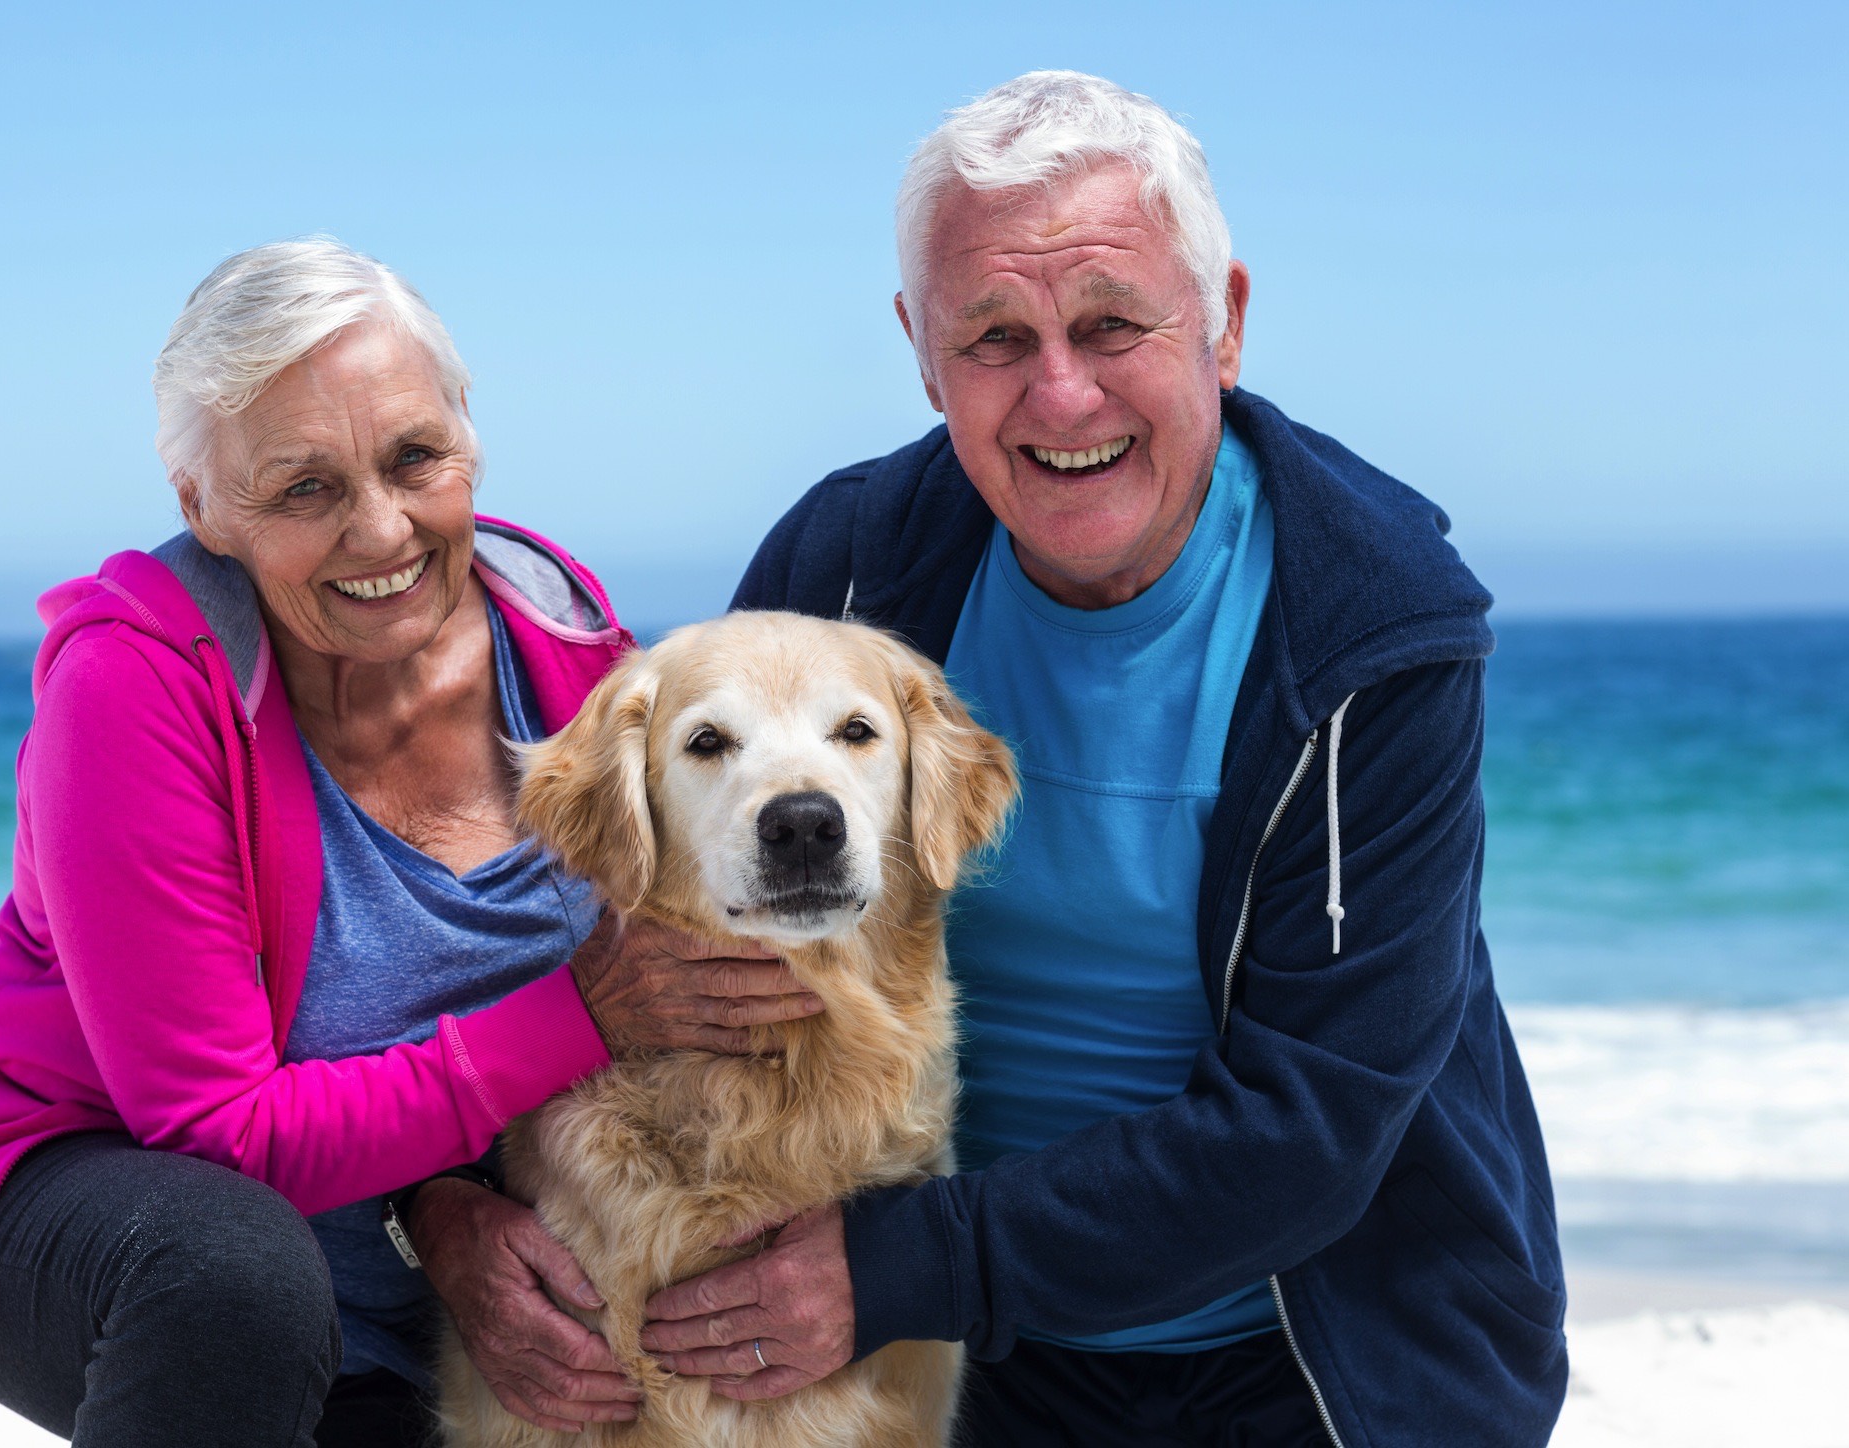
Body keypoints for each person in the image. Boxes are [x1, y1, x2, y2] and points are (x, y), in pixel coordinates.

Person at [637, 72, 1567, 1447]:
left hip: (1321, 1348)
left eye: (1113, 323)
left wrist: (901, 1269)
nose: (1060, 393)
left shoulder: (1378, 630)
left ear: (1226, 322)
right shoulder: (841, 578)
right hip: (957, 1356)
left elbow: (1310, 1129)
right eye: (996, 336)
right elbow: (674, 925)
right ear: (922, 351)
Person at [0, 238, 823, 1447]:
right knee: (234, 1274)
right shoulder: (133, 689)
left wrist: (449, 1205)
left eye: (416, 457)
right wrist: (585, 1016)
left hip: (413, 1272)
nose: (380, 530)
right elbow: (215, 1132)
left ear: (469, 428)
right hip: (96, 1201)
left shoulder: (567, 638)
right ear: (201, 505)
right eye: (302, 488)